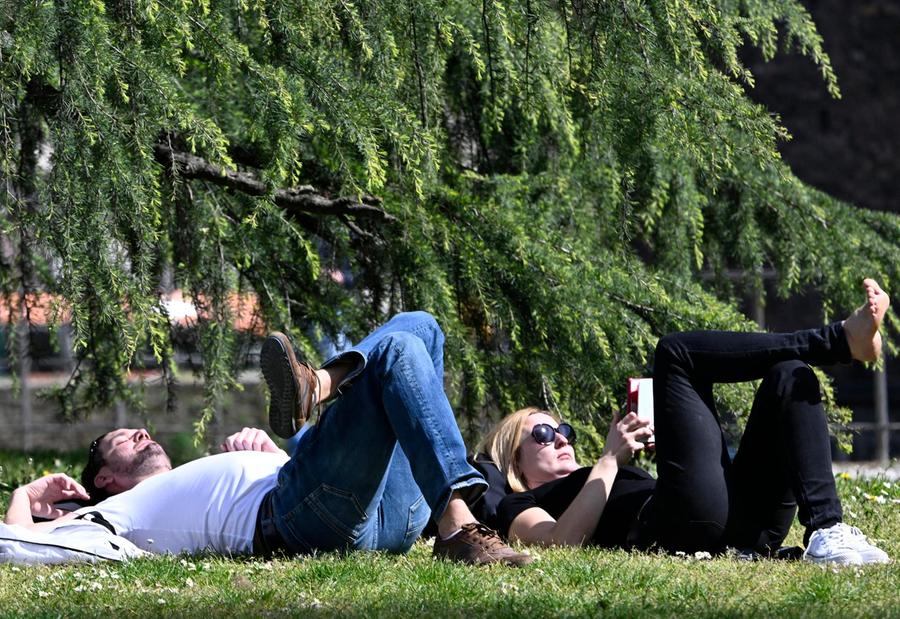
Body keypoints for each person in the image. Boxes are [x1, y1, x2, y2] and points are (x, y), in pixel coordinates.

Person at [4, 312, 531, 566]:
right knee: (395, 348)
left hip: (382, 518)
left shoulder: (193, 476)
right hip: (304, 519)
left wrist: (279, 456)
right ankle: (457, 523)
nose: (140, 430)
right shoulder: (109, 517)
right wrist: (23, 497)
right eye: (122, 439)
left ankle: (317, 386)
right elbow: (15, 547)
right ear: (104, 479)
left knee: (422, 327)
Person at [481, 279, 892, 565]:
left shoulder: (596, 479)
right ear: (515, 462)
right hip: (683, 529)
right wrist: (608, 460)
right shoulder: (520, 503)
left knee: (790, 374)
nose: (561, 438)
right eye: (543, 433)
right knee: (675, 352)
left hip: (744, 529)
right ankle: (835, 341)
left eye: (564, 430)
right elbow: (562, 543)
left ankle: (827, 530)